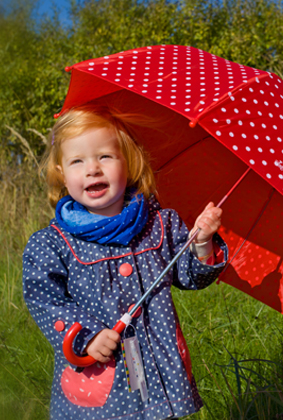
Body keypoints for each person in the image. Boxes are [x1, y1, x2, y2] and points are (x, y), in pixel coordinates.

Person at [23, 108, 226, 419]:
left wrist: (200, 242)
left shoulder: (158, 226)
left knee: (151, 410)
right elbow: (44, 298)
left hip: (153, 364)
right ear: (62, 173)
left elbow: (189, 275)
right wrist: (85, 335)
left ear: (128, 163)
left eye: (105, 156)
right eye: (77, 161)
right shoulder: (53, 244)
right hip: (104, 376)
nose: (92, 169)